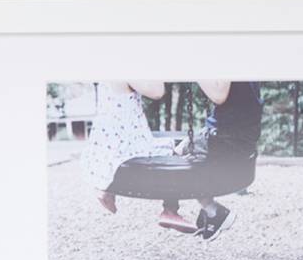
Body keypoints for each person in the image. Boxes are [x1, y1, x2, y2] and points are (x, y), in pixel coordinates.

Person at [156, 80, 262, 239]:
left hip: (226, 135)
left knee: (175, 156)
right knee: (182, 153)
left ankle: (206, 211)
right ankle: (208, 211)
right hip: (238, 135)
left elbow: (219, 96)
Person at [78, 81, 166, 219]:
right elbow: (157, 92)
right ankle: (173, 209)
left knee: (174, 149)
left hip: (107, 139)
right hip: (128, 140)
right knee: (178, 151)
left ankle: (104, 186)